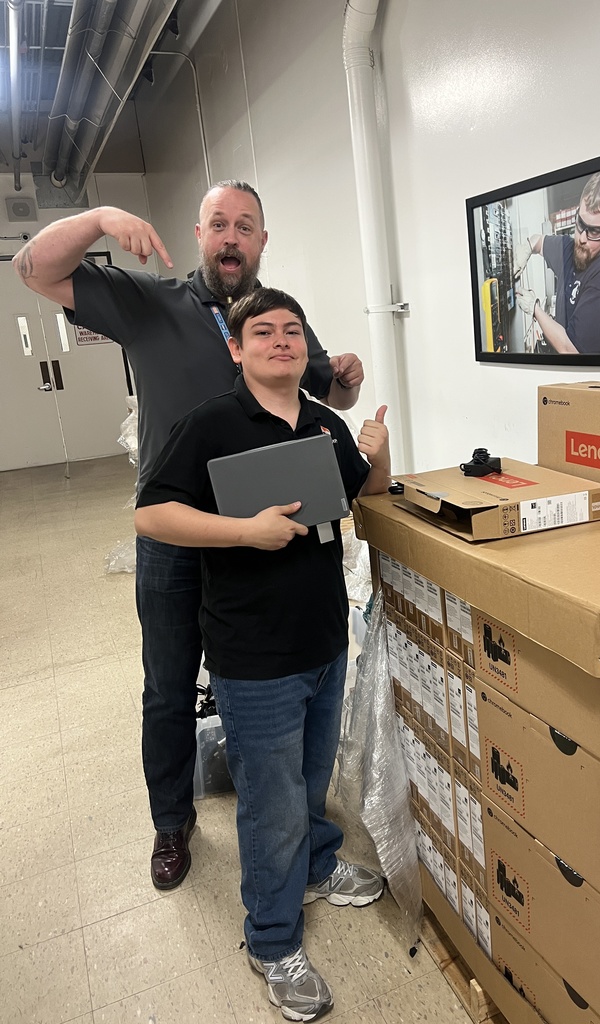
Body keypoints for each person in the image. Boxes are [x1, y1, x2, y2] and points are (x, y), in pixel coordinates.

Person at [12, 181, 365, 890]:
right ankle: (171, 822)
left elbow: (329, 393)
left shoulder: (273, 318)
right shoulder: (150, 302)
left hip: (268, 537)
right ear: (199, 235)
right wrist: (103, 218)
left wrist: (350, 382)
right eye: (219, 226)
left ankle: (287, 815)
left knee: (268, 677)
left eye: (246, 227)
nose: (231, 238)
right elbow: (35, 269)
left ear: (262, 242)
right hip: (176, 536)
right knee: (169, 686)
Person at [135, 286, 390, 1022]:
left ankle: (313, 869)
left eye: (293, 332)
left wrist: (376, 451)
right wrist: (243, 532)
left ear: (306, 349)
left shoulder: (323, 423)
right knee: (271, 803)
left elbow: (363, 498)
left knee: (311, 779)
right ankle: (272, 940)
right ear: (237, 348)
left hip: (320, 638)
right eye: (264, 332)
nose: (282, 341)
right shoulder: (210, 423)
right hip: (254, 654)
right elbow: (153, 511)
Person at [512, 169, 600, 355]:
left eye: (594, 231)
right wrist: (528, 247)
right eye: (580, 224)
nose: (582, 238)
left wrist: (535, 309)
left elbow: (570, 349)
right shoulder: (572, 248)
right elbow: (540, 241)